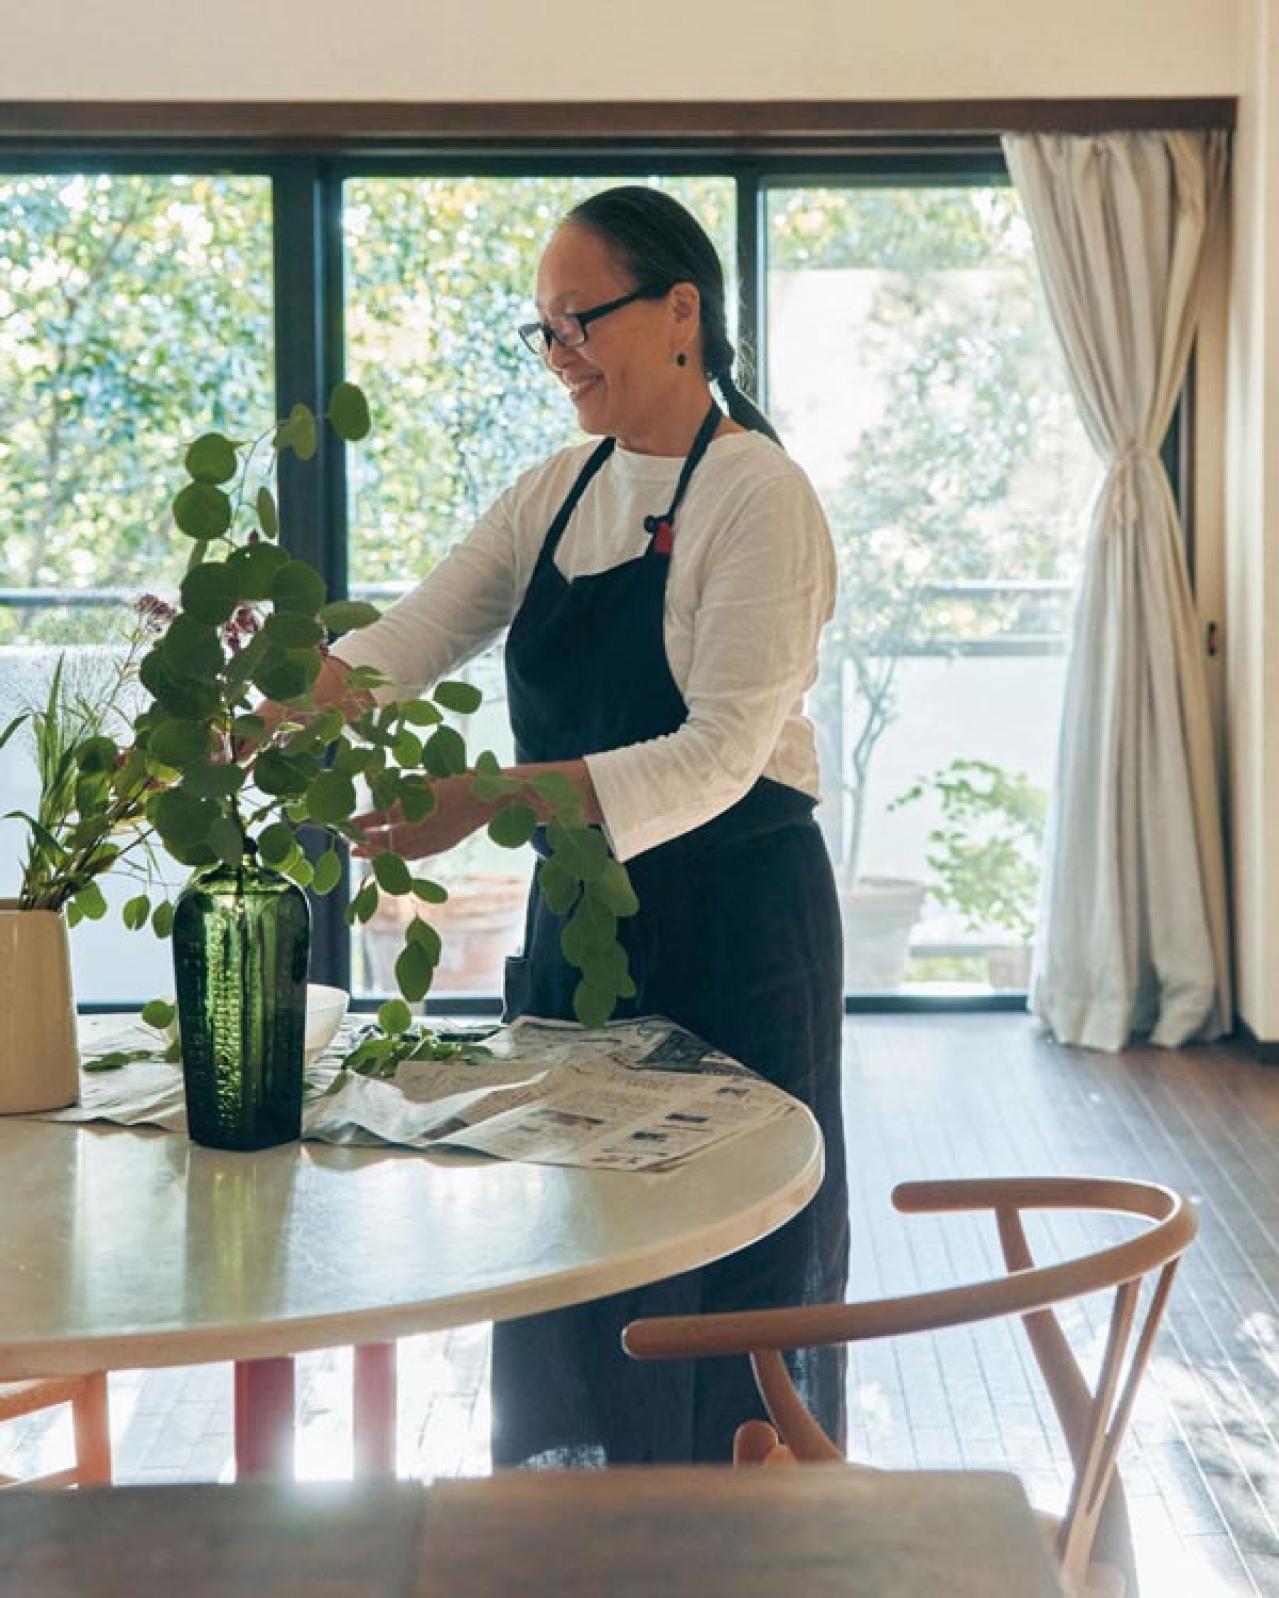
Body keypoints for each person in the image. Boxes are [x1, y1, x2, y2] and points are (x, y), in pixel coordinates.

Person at [316, 185, 849, 1465]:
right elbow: (407, 643)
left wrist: (491, 799)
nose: (559, 355)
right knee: (575, 1234)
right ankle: (584, 1532)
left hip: (738, 919)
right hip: (585, 914)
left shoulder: (758, 497)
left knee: (728, 1254)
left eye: (578, 322)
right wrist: (283, 703)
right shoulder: (554, 489)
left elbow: (719, 754)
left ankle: (732, 1541)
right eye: (542, 331)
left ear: (681, 313)